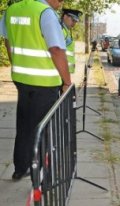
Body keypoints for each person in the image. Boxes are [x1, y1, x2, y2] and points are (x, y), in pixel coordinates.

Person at [0, 0, 71, 180]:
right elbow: (55, 49)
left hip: (21, 78)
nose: (62, 2)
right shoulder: (44, 13)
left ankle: (20, 168)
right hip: (45, 82)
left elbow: (8, 42)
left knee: (24, 125)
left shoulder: (11, 10)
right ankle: (39, 176)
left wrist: (17, 64)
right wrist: (67, 82)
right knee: (43, 130)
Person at [61, 8, 82, 74]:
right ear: (65, 16)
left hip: (65, 71)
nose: (74, 23)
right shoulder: (60, 30)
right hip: (61, 72)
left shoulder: (66, 30)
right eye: (73, 20)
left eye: (76, 21)